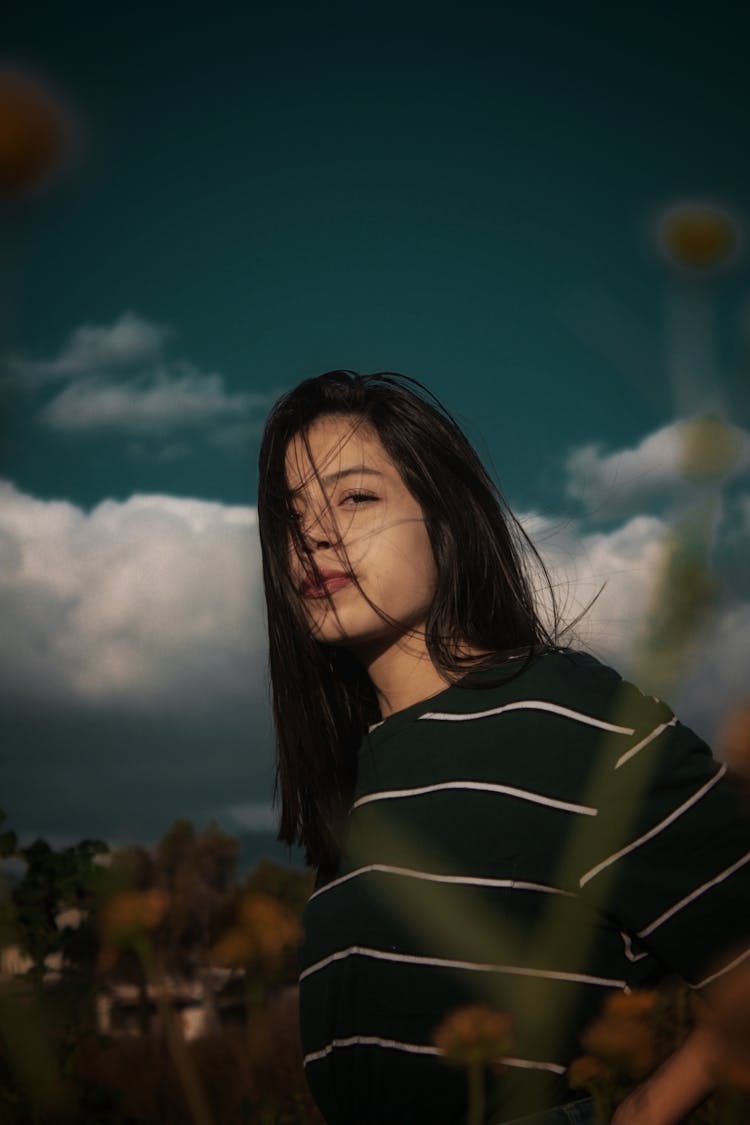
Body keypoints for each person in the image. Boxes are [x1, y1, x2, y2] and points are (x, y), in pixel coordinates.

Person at [257, 370, 749, 1125]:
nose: (313, 533)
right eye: (290, 516)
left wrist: (646, 1109)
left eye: (355, 496)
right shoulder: (363, 782)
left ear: (445, 517)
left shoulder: (569, 715)